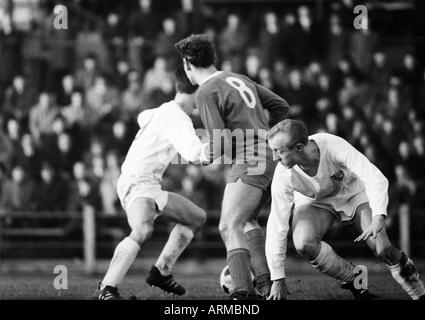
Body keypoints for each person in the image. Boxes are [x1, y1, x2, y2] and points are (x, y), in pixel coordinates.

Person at [175, 34, 290, 299]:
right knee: (246, 221)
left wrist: (203, 156)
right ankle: (265, 284)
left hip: (252, 158)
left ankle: (242, 293)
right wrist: (268, 137)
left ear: (188, 64)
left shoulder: (206, 91)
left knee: (229, 225)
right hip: (270, 157)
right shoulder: (239, 78)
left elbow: (218, 141)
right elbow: (281, 106)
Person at [266, 119, 425, 300]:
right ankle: (354, 277)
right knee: (303, 242)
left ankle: (418, 292)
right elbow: (276, 224)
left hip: (353, 194)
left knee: (383, 249)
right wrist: (277, 278)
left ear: (299, 148)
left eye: (278, 150)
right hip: (315, 202)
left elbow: (375, 177)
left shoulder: (333, 145)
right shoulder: (282, 174)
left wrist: (378, 215)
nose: (273, 157)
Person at [97, 64, 209, 300]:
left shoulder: (164, 111)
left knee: (196, 218)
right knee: (143, 229)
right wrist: (224, 145)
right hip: (138, 181)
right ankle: (107, 288)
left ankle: (161, 271)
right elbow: (195, 155)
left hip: (147, 183)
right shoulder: (178, 118)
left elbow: (142, 116)